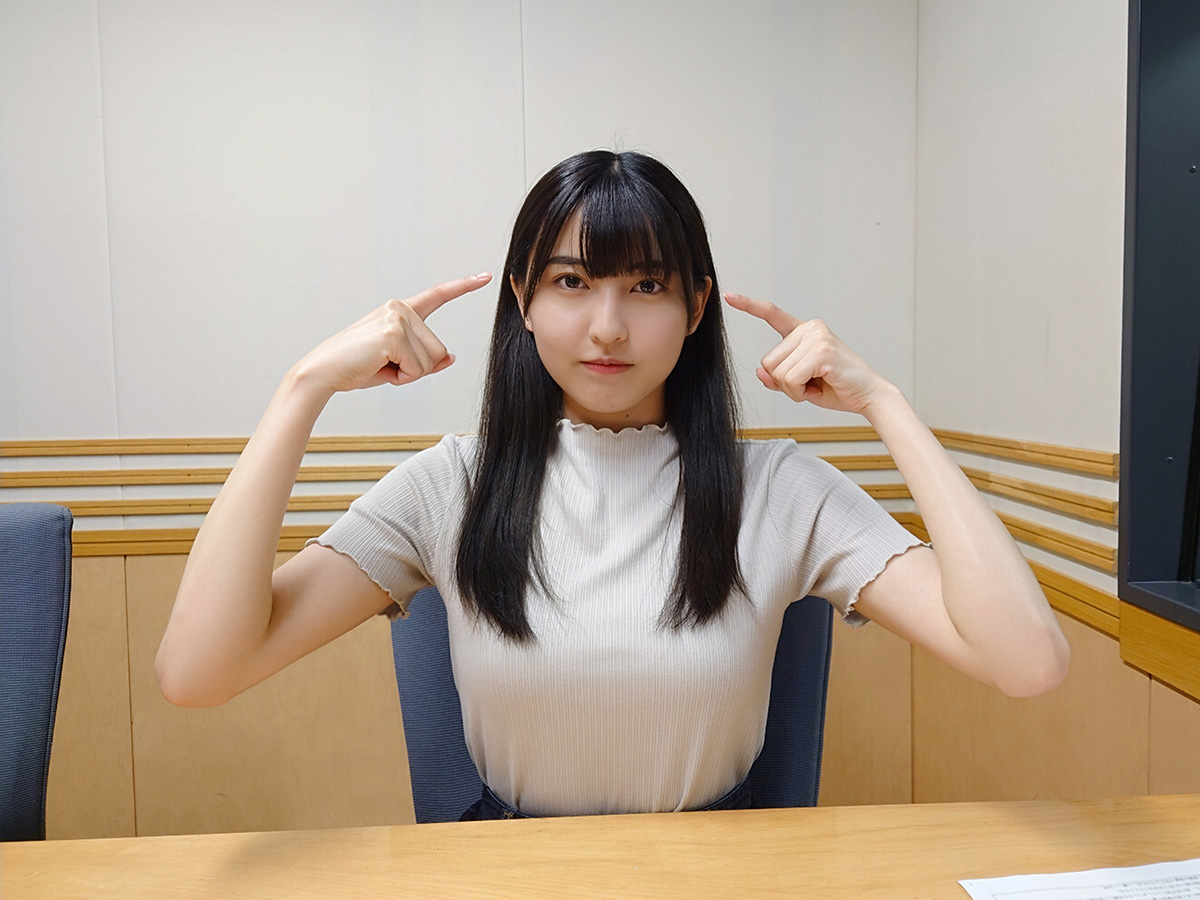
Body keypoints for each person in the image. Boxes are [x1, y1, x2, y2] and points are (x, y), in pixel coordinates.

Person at [156, 149, 1069, 819]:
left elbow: (1027, 662)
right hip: (516, 879)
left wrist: (886, 404)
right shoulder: (450, 487)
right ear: (523, 299)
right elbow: (198, 672)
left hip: (720, 880)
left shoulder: (780, 489)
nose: (607, 327)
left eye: (646, 286)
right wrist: (303, 387)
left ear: (696, 306)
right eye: (571, 282)